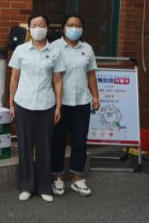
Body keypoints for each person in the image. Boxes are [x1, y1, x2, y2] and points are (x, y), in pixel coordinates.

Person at [9, 12, 64, 203]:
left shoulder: (55, 52)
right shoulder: (21, 50)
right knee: (24, 146)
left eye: (41, 25)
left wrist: (58, 106)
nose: (38, 29)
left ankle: (44, 186)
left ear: (47, 28)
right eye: (34, 25)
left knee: (44, 147)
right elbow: (14, 79)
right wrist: (11, 104)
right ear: (29, 28)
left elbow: (58, 81)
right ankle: (27, 185)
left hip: (46, 104)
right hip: (23, 103)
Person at [50, 14, 99, 197]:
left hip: (82, 102)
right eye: (70, 25)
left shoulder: (87, 48)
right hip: (60, 104)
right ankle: (57, 177)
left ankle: (77, 178)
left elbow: (91, 74)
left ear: (82, 28)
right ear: (64, 28)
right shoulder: (54, 47)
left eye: (77, 25)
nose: (74, 28)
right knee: (58, 141)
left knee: (80, 141)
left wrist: (95, 96)